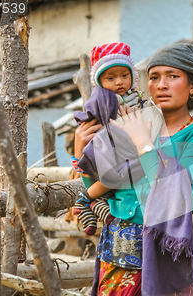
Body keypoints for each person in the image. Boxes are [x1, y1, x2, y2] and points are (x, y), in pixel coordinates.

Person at [74, 43, 193, 296]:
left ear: (192, 87)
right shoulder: (127, 121)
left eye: (172, 76)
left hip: (163, 256)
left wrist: (143, 143)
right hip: (114, 252)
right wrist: (80, 149)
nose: (161, 84)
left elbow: (180, 193)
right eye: (154, 77)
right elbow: (97, 181)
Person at [72, 42, 141, 236]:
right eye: (111, 78)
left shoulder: (134, 96)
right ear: (99, 81)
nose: (119, 82)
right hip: (106, 146)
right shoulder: (103, 98)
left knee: (121, 174)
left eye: (124, 76)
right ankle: (87, 199)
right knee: (117, 172)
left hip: (121, 146)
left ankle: (94, 204)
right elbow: (94, 118)